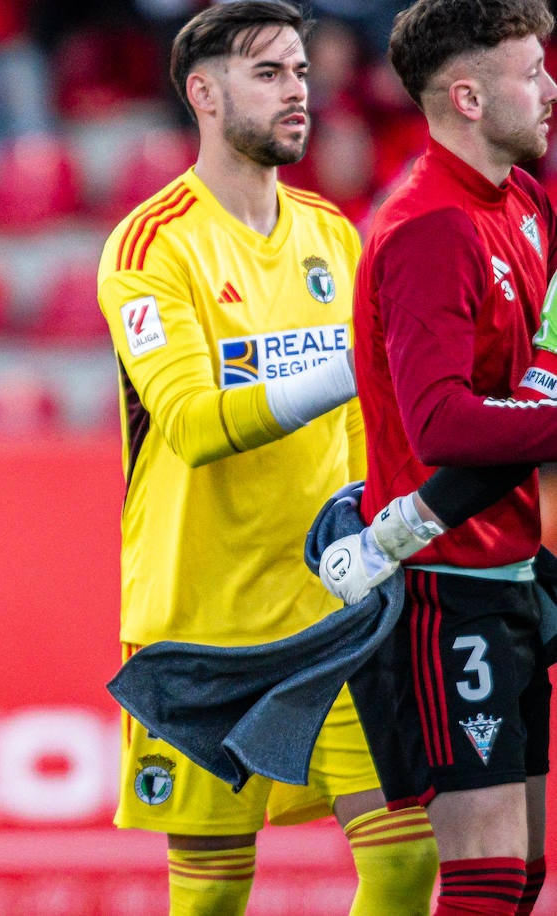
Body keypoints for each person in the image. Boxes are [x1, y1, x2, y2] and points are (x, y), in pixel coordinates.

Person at [96, 3, 438, 913]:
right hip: (201, 620)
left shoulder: (334, 231)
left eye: (299, 71)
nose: (299, 92)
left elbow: (373, 421)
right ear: (203, 94)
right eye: (269, 75)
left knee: (406, 863)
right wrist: (347, 366)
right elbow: (193, 423)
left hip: (337, 607)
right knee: (211, 895)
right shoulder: (149, 245)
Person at [315, 1, 557, 912]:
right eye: (531, 72)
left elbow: (543, 369)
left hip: (507, 565)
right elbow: (443, 427)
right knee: (486, 878)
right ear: (467, 96)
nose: (551, 88)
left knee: (520, 873)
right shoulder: (428, 229)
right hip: (440, 583)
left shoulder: (526, 204)